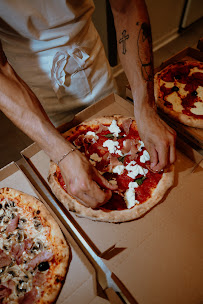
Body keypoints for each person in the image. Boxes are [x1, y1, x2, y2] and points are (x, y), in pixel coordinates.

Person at [0, 0, 176, 208]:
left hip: (90, 57)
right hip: (27, 86)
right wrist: (61, 154)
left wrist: (145, 107)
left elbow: (127, 6)